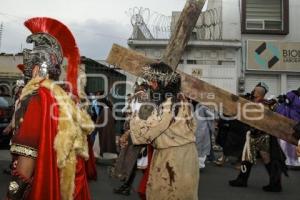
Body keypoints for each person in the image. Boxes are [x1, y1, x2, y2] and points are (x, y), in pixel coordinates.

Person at [6, 17, 94, 200]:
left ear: (37, 70)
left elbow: (26, 160)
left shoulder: (36, 99)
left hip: (44, 186)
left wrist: (11, 196)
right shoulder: (65, 100)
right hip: (67, 188)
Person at [129, 62, 199, 200]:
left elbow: (143, 135)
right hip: (185, 155)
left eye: (153, 81)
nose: (150, 85)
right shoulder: (180, 98)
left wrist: (138, 109)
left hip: (173, 161)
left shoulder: (168, 104)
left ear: (161, 82)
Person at [229, 82, 287, 192]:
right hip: (252, 135)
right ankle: (242, 180)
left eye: (254, 91)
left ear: (258, 93)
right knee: (246, 158)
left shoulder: (268, 104)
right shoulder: (250, 102)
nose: (252, 92)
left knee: (267, 159)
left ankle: (275, 184)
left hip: (263, 136)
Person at [276, 88, 300, 168]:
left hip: (290, 123)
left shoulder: (292, 98)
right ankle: (291, 162)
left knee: (288, 143)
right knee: (289, 143)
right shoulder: (293, 96)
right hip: (291, 123)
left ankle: (290, 161)